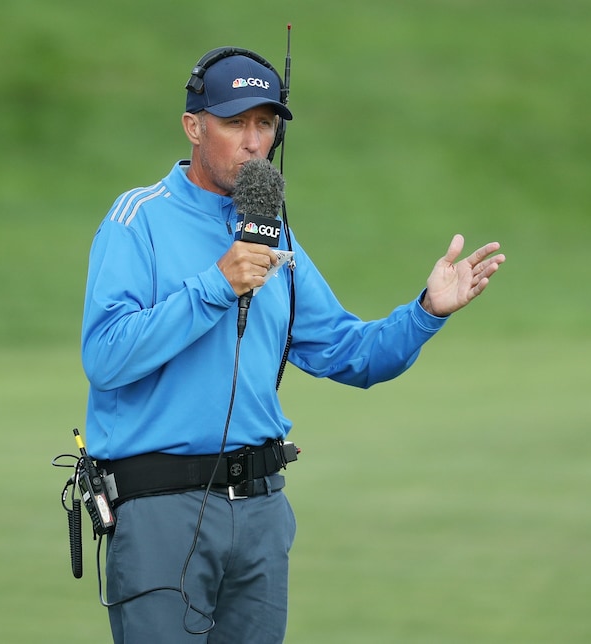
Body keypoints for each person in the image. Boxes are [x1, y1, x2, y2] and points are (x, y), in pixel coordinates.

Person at [79, 47, 505, 643]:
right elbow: (105, 355)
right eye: (235, 123)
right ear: (193, 126)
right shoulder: (138, 219)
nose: (254, 142)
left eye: (266, 124)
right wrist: (217, 285)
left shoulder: (273, 234)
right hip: (161, 511)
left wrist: (425, 312)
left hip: (259, 514)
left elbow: (348, 352)